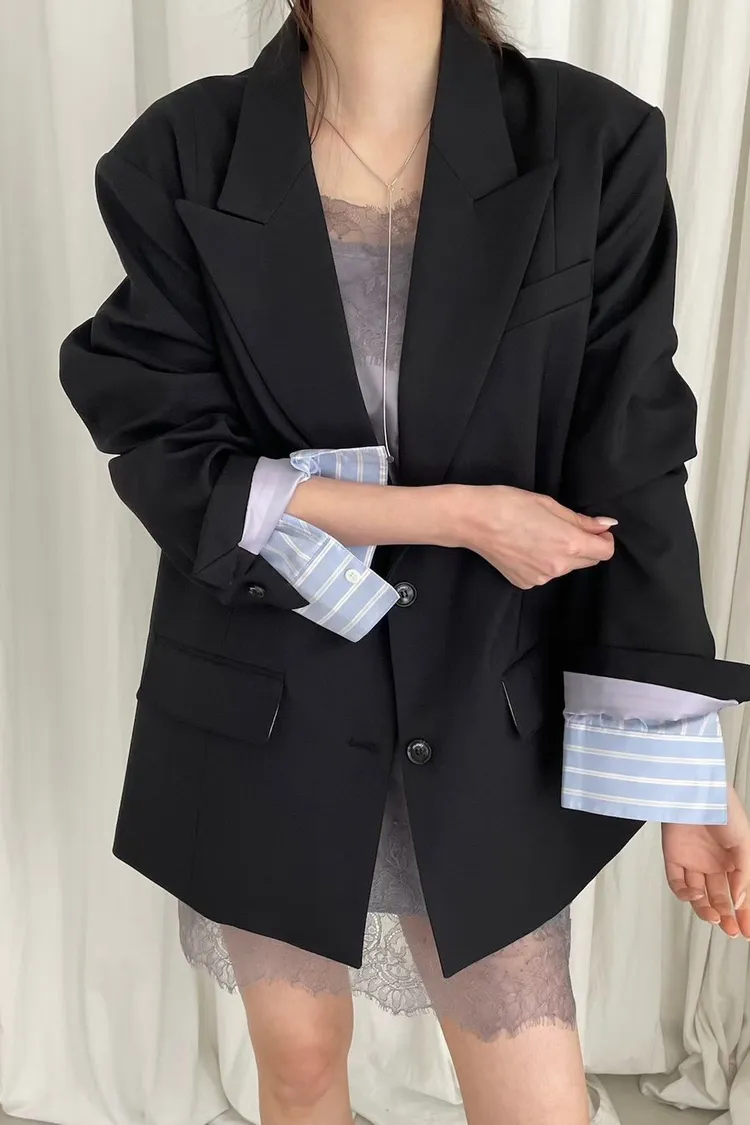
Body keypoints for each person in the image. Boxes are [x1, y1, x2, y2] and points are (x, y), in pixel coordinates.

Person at [59, 1, 750, 1122]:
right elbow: (169, 454)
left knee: (536, 1099)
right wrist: (460, 516)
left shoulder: (591, 141)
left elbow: (633, 466)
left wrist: (686, 768)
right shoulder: (180, 155)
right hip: (264, 703)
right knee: (299, 1067)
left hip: (484, 701)